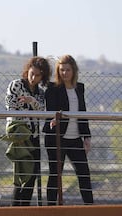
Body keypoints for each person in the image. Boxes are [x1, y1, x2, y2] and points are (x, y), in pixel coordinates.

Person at [43, 54, 93, 205]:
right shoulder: (52, 89)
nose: (64, 73)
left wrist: (87, 137)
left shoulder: (80, 88)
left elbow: (82, 112)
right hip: (57, 138)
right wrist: (53, 119)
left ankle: (90, 207)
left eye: (67, 70)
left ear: (74, 70)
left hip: (75, 138)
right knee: (55, 174)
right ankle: (51, 208)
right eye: (61, 70)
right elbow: (51, 110)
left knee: (84, 174)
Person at [5, 56, 51, 206]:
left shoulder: (40, 93)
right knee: (20, 175)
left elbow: (43, 110)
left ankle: (24, 208)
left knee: (32, 174)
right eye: (32, 73)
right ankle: (15, 210)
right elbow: (10, 106)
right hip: (20, 136)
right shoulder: (16, 85)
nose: (33, 77)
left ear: (42, 76)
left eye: (38, 75)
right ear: (27, 71)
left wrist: (31, 101)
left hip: (35, 137)